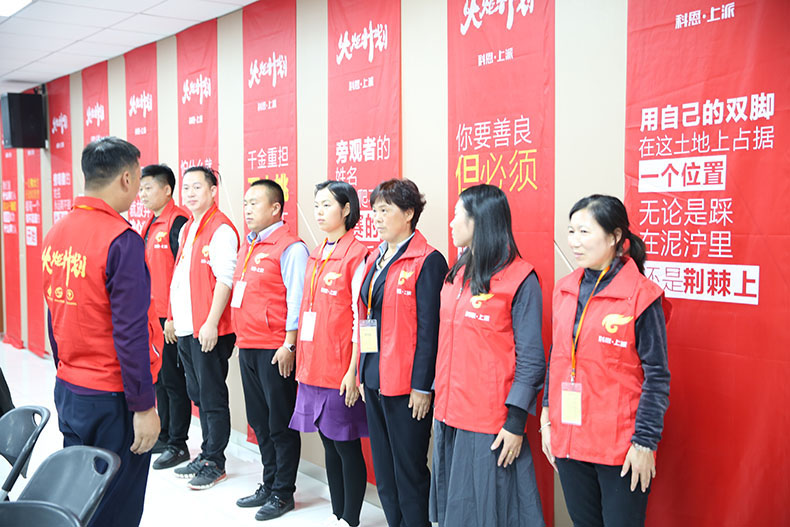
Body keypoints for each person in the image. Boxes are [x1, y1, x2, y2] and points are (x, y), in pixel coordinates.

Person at [41, 137, 162, 527]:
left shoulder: (57, 232)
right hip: (113, 398)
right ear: (126, 178)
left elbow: (55, 314)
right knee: (115, 506)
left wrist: (66, 372)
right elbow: (131, 332)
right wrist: (143, 406)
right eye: (138, 177)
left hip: (71, 390)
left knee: (81, 498)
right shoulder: (121, 240)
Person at [540, 195, 671, 527]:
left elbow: (657, 376)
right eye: (571, 231)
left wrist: (644, 442)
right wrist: (546, 419)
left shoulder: (641, 295)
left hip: (620, 447)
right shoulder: (564, 289)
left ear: (615, 236)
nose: (574, 242)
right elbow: (558, 356)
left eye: (584, 232)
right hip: (570, 440)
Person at [430, 184, 546, 527]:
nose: (451, 223)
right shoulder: (458, 272)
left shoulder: (520, 278)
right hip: (449, 412)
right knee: (456, 512)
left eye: (457, 215)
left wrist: (515, 423)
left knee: (488, 514)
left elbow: (532, 360)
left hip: (488, 423)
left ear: (479, 220)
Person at [357, 179, 447, 527]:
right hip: (374, 376)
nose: (377, 218)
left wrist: (423, 386)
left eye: (385, 210)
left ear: (409, 213)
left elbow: (430, 330)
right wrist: (363, 370)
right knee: (384, 469)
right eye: (374, 210)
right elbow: (367, 315)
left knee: (409, 470)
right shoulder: (375, 257)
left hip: (407, 385)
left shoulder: (428, 260)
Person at [289, 181, 369, 527]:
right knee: (329, 446)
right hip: (313, 366)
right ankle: (337, 514)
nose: (319, 212)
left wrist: (354, 371)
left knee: (346, 445)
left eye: (326, 205)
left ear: (346, 209)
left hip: (340, 369)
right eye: (316, 205)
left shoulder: (357, 255)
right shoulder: (318, 251)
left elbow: (359, 318)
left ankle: (351, 519)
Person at [231, 179, 308, 521]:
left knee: (280, 424)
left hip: (275, 349)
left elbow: (296, 298)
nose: (247, 210)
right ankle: (269, 482)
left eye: (255, 203)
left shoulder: (290, 248)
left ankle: (283, 492)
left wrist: (289, 343)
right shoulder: (249, 245)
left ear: (276, 208)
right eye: (245, 203)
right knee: (259, 422)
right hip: (248, 345)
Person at [165, 166, 239, 490]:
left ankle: (215, 461)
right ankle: (206, 451)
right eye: (187, 187)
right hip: (186, 327)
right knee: (197, 394)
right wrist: (171, 317)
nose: (191, 193)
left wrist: (210, 322)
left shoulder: (221, 229)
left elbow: (225, 279)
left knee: (212, 396)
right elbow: (179, 276)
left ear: (213, 191)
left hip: (208, 329)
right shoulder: (188, 228)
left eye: (198, 187)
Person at [139, 164, 191, 470]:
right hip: (152, 316)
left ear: (167, 189)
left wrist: (172, 317)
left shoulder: (178, 221)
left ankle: (178, 444)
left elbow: (181, 275)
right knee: (159, 378)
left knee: (174, 381)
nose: (142, 194)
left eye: (148, 188)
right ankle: (165, 433)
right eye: (141, 189)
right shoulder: (150, 223)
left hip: (170, 319)